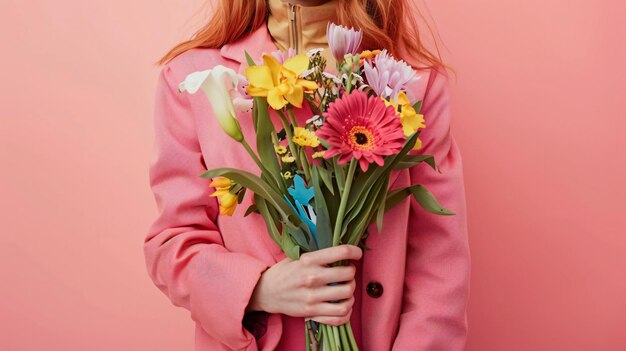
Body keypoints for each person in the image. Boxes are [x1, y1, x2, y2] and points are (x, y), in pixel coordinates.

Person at [143, 0, 471, 350]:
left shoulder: (409, 81)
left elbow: (440, 261)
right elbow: (172, 242)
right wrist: (258, 288)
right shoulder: (192, 77)